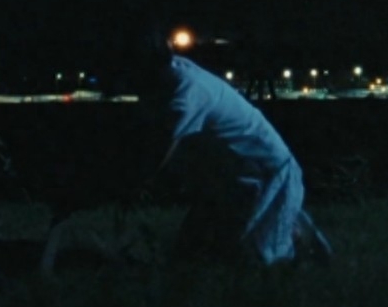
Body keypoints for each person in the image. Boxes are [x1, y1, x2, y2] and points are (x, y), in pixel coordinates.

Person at [114, 25, 333, 267]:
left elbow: (161, 148)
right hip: (234, 180)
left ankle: (298, 239)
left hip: (268, 173)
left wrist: (136, 185)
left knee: (258, 258)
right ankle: (289, 231)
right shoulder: (177, 72)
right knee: (192, 255)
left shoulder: (187, 95)